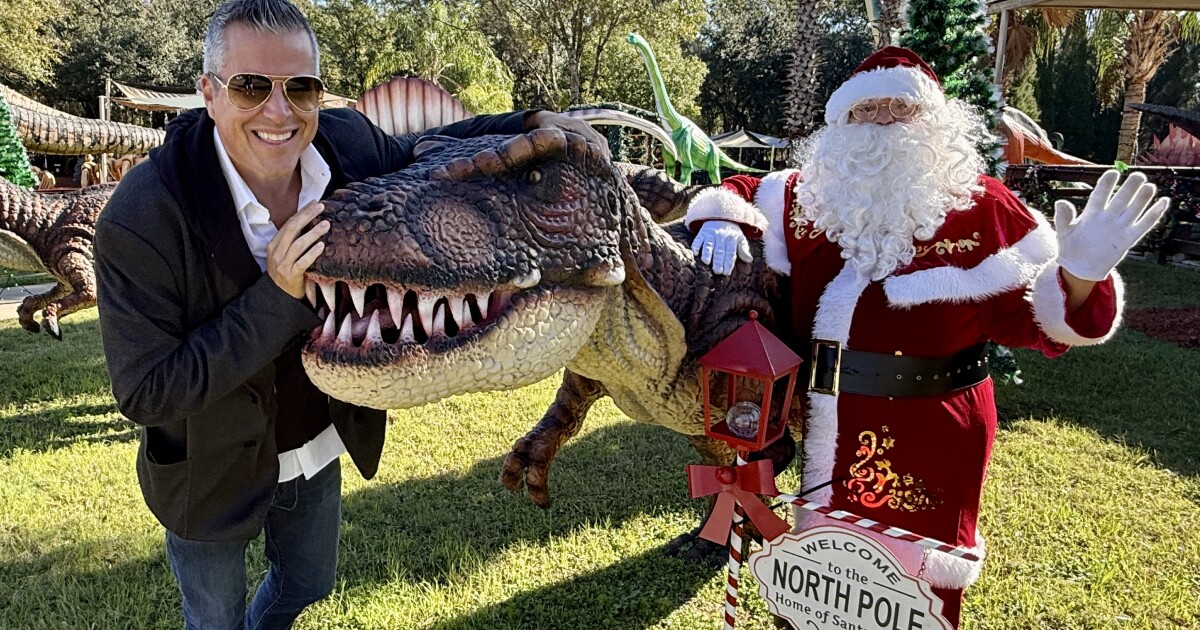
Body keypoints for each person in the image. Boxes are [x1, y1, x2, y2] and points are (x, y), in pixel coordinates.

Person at [93, 1, 606, 627]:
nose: (279, 112)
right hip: (210, 468)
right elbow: (148, 390)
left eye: (300, 88)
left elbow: (429, 151)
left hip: (314, 440)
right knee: (214, 617)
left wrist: (535, 123)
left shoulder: (349, 145)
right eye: (251, 87)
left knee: (307, 582)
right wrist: (275, 297)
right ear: (209, 91)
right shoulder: (141, 215)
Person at [683, 47, 1169, 626]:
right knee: (819, 583)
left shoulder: (984, 208)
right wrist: (718, 215)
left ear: (935, 124)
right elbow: (740, 187)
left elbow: (1045, 321)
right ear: (840, 124)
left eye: (900, 107)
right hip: (826, 424)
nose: (883, 120)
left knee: (914, 593)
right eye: (868, 109)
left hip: (934, 431)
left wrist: (1082, 276)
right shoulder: (807, 197)